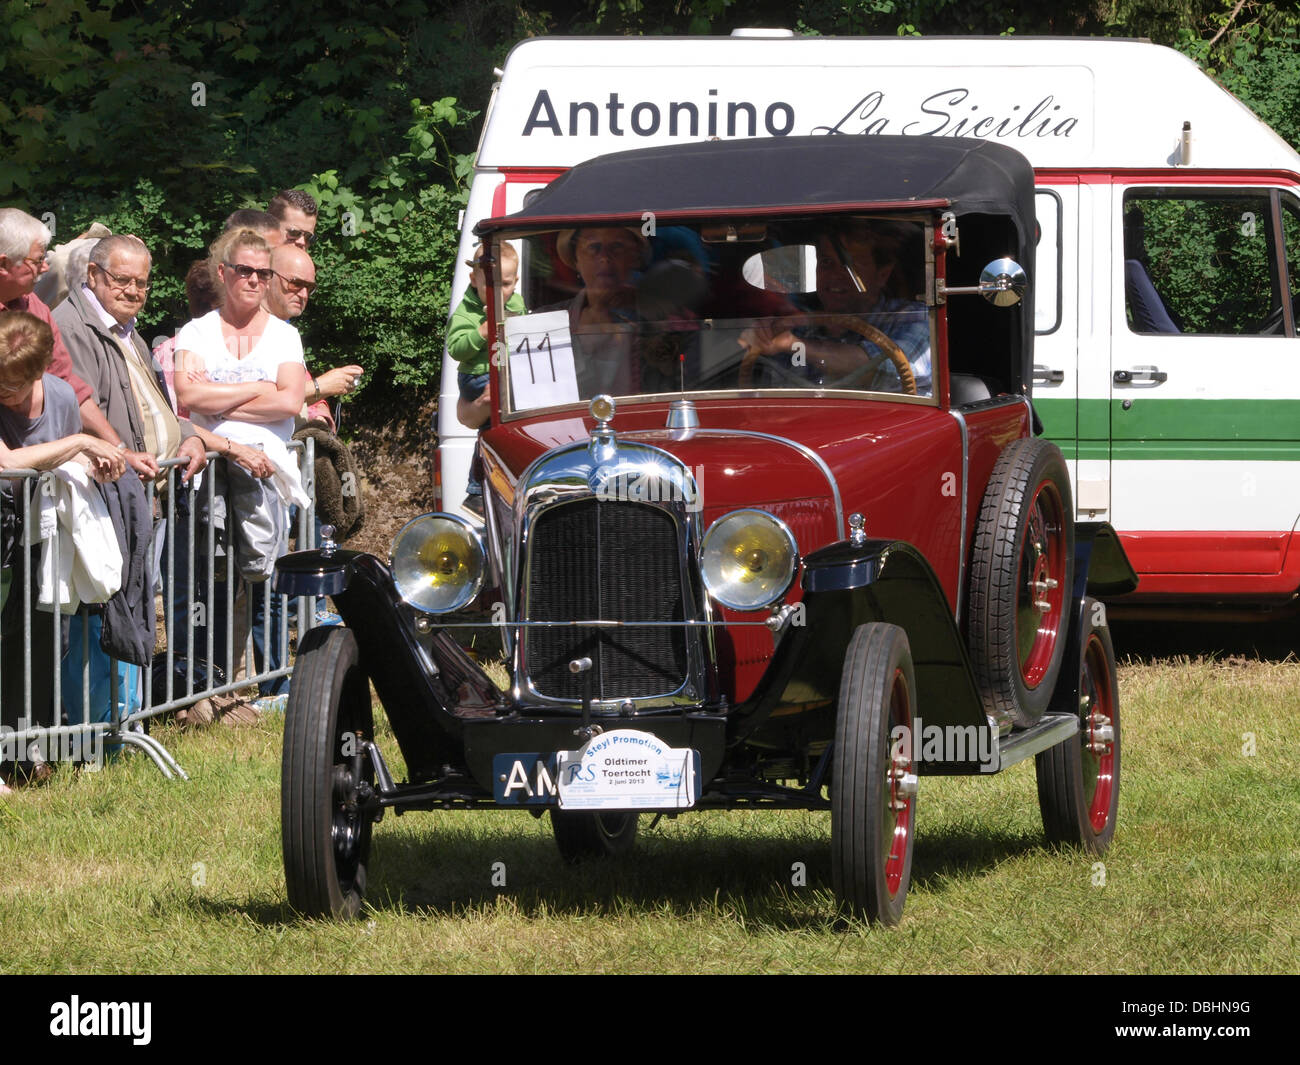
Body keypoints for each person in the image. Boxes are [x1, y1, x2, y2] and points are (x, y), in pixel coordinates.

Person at [173, 228, 309, 712]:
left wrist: (221, 396)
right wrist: (258, 386)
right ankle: (209, 692)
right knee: (212, 578)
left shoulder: (284, 335)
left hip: (265, 474)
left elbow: (291, 399)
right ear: (223, 273)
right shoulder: (196, 333)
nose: (254, 280)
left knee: (265, 577)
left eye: (263, 272)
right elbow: (187, 400)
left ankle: (271, 686)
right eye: (245, 271)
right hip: (210, 469)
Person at [0, 311, 126, 789]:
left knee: (45, 646)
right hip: (5, 539)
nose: (2, 394)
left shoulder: (56, 395)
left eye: (10, 388)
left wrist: (96, 464)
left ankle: (30, 751)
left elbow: (68, 466)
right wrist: (78, 442)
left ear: (37, 374)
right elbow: (8, 462)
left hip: (43, 541)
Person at [739, 221, 932, 395]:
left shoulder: (913, 318)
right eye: (826, 263)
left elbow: (886, 367)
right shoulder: (798, 327)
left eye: (851, 266)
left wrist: (794, 344)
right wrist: (762, 338)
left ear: (882, 274)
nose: (835, 275)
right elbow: (770, 401)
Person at [0, 209, 122, 446]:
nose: (45, 268)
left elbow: (68, 383)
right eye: (36, 261)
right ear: (3, 264)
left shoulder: (35, 308)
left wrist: (118, 449)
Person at [447, 242, 523, 511]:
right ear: (473, 279)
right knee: (492, 425)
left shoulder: (516, 303)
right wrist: (481, 331)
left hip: (504, 373)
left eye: (505, 284)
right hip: (475, 378)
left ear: (516, 281)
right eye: (489, 285)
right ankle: (476, 489)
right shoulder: (466, 312)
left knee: (499, 427)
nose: (498, 293)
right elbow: (456, 349)